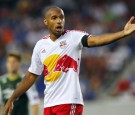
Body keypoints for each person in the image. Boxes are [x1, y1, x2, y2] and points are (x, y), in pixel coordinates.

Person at [2, 6, 135, 115]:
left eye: (61, 17)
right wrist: (12, 98)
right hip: (49, 104)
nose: (59, 21)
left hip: (69, 101)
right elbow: (31, 75)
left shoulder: (74, 37)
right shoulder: (40, 45)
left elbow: (96, 40)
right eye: (54, 18)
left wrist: (122, 33)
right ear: (46, 22)